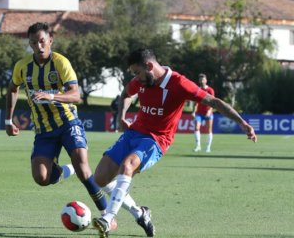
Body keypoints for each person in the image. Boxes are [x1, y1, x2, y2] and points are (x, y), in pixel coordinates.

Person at [91, 48, 257, 238]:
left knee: (128, 165)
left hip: (156, 139)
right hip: (133, 132)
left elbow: (215, 102)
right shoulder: (140, 80)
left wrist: (243, 123)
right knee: (100, 178)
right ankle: (140, 213)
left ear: (150, 66)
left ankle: (108, 218)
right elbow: (125, 94)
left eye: (137, 72)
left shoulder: (179, 83)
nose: (136, 78)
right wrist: (121, 117)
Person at [5, 22, 116, 230]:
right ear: (29, 43)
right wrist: (8, 121)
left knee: (85, 170)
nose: (38, 46)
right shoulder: (22, 66)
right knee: (41, 178)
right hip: (44, 130)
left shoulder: (60, 62)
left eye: (42, 41)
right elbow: (12, 89)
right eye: (33, 42)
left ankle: (107, 214)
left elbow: (76, 95)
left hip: (67, 123)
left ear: (50, 41)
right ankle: (68, 169)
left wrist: (51, 96)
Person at [192, 74, 215, 152]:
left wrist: (209, 111)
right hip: (199, 113)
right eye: (200, 80)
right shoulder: (197, 89)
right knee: (196, 128)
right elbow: (195, 103)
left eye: (203, 79)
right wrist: (193, 113)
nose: (202, 81)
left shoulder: (210, 90)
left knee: (209, 130)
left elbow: (213, 102)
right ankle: (198, 146)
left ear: (206, 80)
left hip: (208, 113)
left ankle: (208, 147)